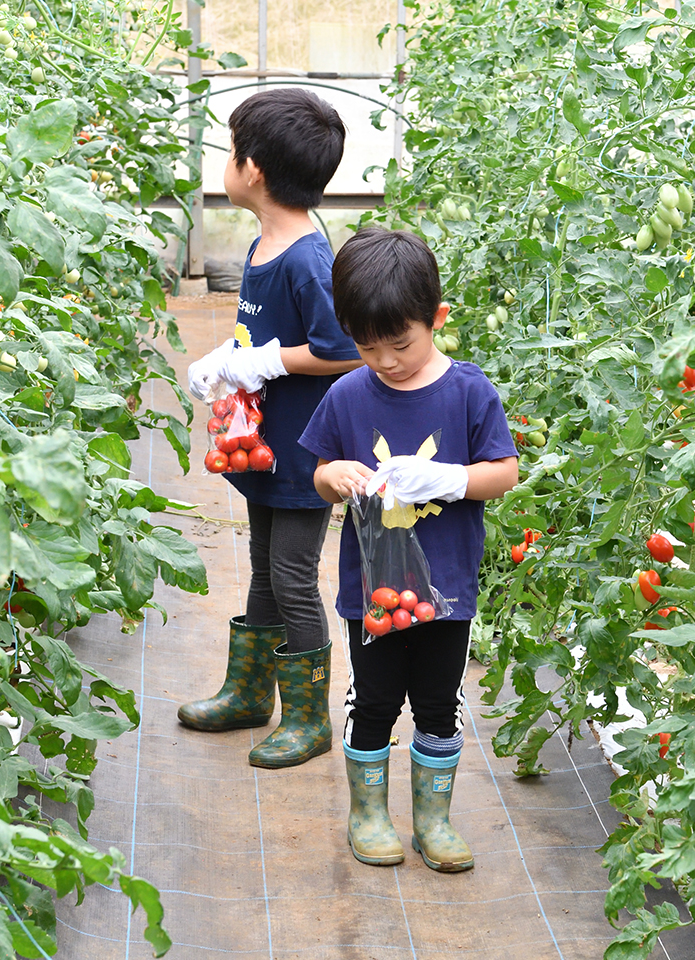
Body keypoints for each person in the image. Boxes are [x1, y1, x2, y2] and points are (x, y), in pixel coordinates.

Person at [298, 228, 519, 872]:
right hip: (374, 592)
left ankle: (433, 820)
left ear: (437, 320)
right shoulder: (347, 394)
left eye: (401, 343)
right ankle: (367, 815)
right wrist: (335, 476)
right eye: (368, 347)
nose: (387, 361)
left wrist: (450, 479)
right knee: (372, 700)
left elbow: (503, 473)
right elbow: (320, 472)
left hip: (447, 587)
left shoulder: (469, 392)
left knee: (438, 701)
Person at [178, 89, 362, 770]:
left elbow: (343, 349)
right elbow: (267, 337)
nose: (225, 164)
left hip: (306, 449)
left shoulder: (307, 258)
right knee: (264, 566)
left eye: (229, 151)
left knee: (290, 574)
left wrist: (260, 360)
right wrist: (231, 365)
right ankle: (249, 695)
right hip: (262, 443)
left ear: (252, 168)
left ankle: (310, 718)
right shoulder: (267, 242)